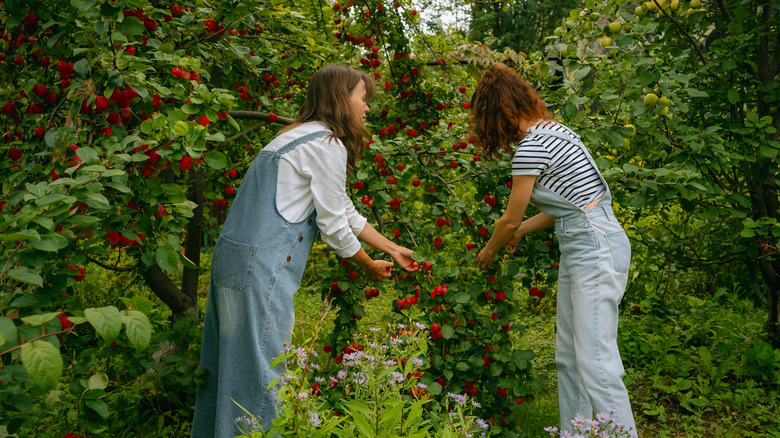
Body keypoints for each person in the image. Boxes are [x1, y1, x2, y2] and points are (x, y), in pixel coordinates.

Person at [191, 64, 418, 438]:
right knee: (264, 370)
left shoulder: (292, 135)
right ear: (343, 98)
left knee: (226, 366)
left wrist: (391, 248)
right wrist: (366, 264)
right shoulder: (327, 144)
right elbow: (333, 226)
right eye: (363, 98)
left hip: (233, 261)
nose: (366, 109)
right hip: (262, 268)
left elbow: (342, 208)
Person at [470, 64, 637, 436]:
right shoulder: (557, 131)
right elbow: (571, 203)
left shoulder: (531, 147)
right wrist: (522, 230)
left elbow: (509, 220)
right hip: (586, 239)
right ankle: (575, 433)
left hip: (594, 246)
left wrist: (490, 251)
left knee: (595, 360)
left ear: (501, 112)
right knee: (570, 357)